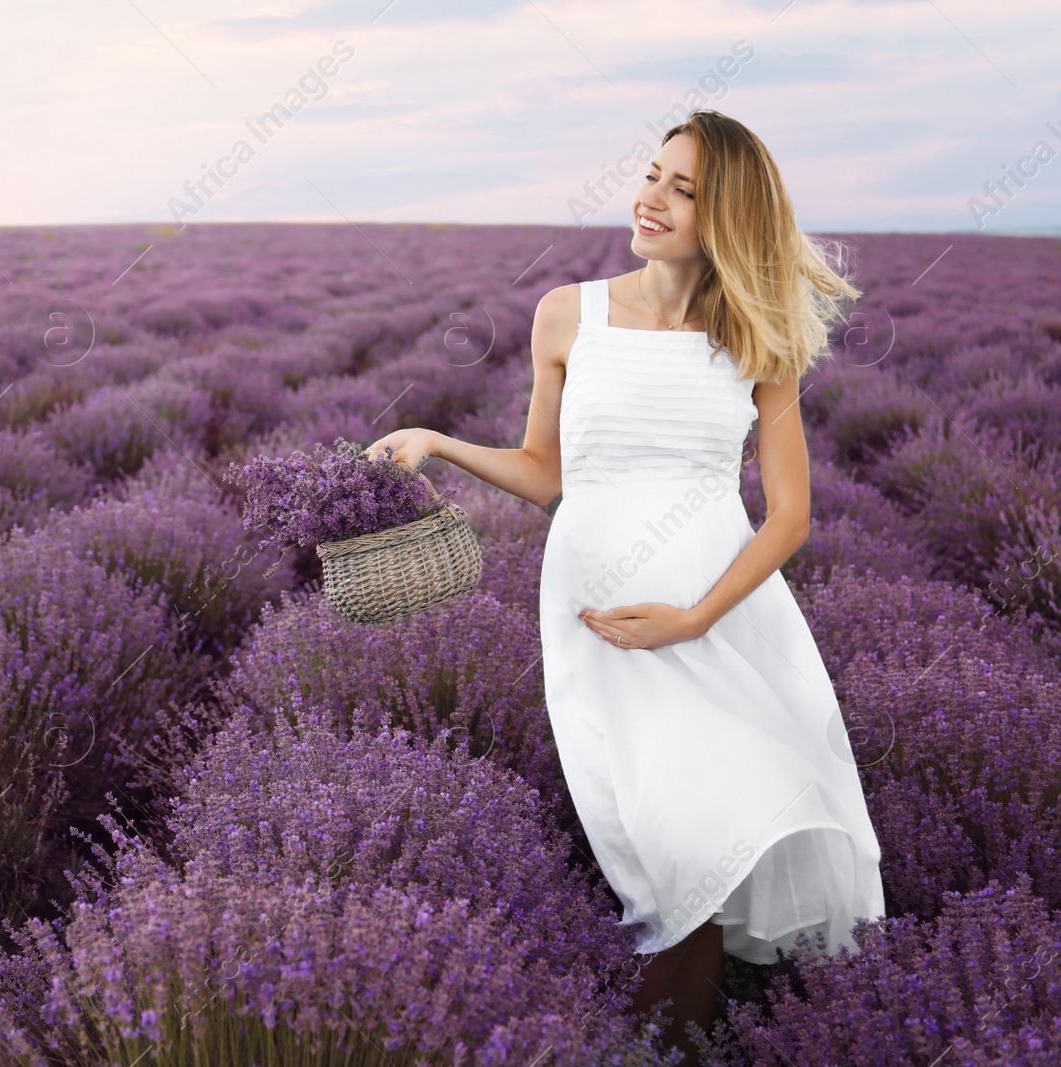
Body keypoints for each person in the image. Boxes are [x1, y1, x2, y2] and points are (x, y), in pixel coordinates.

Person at [364, 109, 886, 1067]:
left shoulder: (757, 336)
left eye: (684, 189)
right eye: (653, 174)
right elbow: (545, 470)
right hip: (599, 626)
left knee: (710, 845)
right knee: (669, 861)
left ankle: (664, 1046)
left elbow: (788, 517)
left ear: (726, 215)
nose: (652, 198)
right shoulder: (569, 312)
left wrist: (693, 617)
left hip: (717, 620)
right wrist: (437, 443)